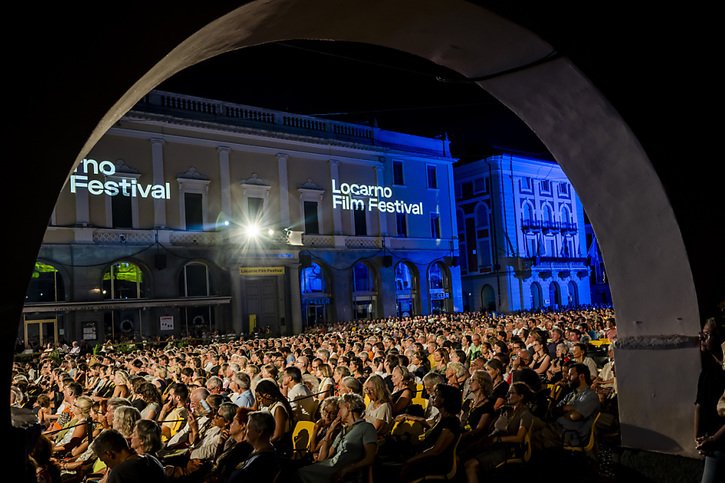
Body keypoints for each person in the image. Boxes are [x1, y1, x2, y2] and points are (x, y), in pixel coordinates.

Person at [463, 381, 536, 483]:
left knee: (470, 465)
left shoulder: (525, 414)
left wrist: (499, 439)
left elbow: (519, 437)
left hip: (507, 449)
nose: (507, 396)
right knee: (464, 455)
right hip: (494, 444)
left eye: (511, 393)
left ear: (521, 396)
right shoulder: (505, 411)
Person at [296, 393, 378, 483]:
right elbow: (322, 458)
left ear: (348, 407)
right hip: (330, 467)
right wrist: (329, 432)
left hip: (342, 471)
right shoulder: (344, 430)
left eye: (340, 409)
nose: (338, 413)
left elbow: (370, 458)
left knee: (299, 473)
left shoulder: (366, 428)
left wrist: (348, 468)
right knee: (297, 472)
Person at [694, 317, 725, 483]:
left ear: (719, 338)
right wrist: (697, 437)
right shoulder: (706, 372)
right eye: (701, 334)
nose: (701, 338)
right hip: (712, 444)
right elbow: (698, 404)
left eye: (706, 334)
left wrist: (714, 440)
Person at [91, 428, 165, 483]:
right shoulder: (152, 460)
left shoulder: (119, 473)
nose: (106, 465)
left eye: (103, 460)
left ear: (109, 454)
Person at [553, 362, 601, 446]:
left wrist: (564, 409)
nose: (567, 377)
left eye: (571, 374)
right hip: (559, 430)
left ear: (581, 376)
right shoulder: (571, 394)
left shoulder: (590, 396)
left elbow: (574, 416)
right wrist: (566, 409)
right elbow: (555, 410)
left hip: (571, 436)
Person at [228, 411, 282, 483]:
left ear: (259, 431)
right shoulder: (249, 451)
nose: (246, 432)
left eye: (248, 428)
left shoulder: (265, 462)